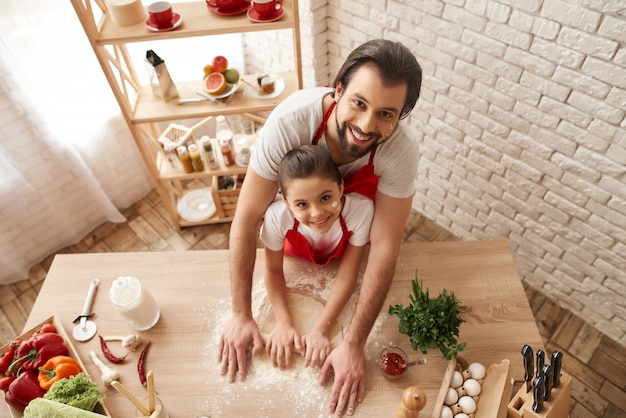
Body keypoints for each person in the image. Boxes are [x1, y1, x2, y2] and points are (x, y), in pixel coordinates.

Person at [218, 38, 422, 416]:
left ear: (400, 117)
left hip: (351, 247)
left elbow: (384, 247)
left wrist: (354, 343)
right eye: (359, 103)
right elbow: (247, 220)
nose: (365, 125)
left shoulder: (401, 153)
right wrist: (242, 315)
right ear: (338, 89)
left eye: (386, 114)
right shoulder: (289, 124)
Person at [260, 145, 374, 370]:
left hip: (338, 261)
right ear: (286, 203)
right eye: (302, 204)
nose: (317, 213)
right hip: (296, 260)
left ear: (341, 187)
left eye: (325, 197)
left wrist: (321, 330)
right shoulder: (276, 217)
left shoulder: (361, 211)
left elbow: (347, 274)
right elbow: (273, 270)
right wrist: (283, 323)